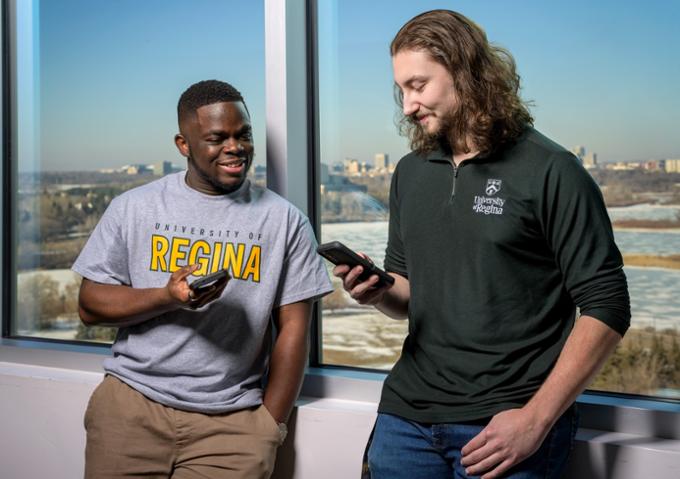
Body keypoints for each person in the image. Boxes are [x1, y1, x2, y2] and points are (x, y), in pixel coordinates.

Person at [334, 10, 630, 479]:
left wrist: (536, 420)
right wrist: (378, 291)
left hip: (504, 426)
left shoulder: (551, 170)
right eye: (401, 90)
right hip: (405, 418)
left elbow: (607, 306)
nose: (408, 105)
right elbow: (409, 296)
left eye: (418, 85)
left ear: (465, 72)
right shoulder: (410, 172)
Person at [73, 79, 333, 479]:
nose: (235, 147)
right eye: (217, 138)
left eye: (243, 135)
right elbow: (90, 305)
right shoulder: (134, 208)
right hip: (131, 409)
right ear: (183, 144)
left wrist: (269, 426)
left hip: (232, 427)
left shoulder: (285, 221)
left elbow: (294, 330)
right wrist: (166, 297)